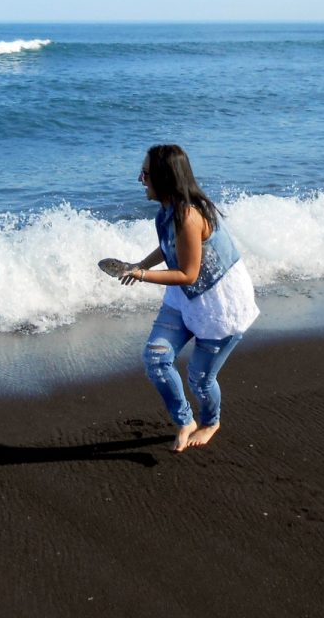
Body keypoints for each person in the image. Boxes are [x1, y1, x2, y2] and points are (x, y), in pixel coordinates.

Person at [116, 144, 259, 452]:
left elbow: (188, 273)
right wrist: (141, 264)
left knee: (199, 380)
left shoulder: (189, 216)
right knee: (155, 358)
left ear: (164, 178)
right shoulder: (167, 211)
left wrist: (141, 276)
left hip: (220, 304)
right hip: (184, 299)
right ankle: (185, 421)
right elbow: (171, 249)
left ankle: (210, 421)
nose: (140, 179)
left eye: (145, 173)